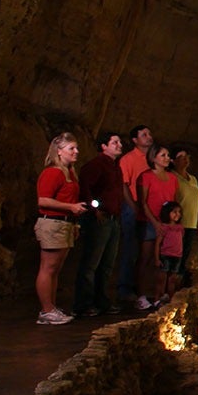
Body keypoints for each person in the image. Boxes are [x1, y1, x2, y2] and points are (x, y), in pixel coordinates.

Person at [34, 133, 86, 325]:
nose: (76, 152)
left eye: (76, 147)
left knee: (55, 269)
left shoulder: (70, 172)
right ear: (59, 151)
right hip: (52, 223)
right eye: (71, 148)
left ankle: (51, 307)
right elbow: (43, 200)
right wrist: (71, 208)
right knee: (48, 268)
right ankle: (46, 310)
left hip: (64, 223)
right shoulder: (53, 172)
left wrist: (74, 220)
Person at [73, 131, 124, 316]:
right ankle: (83, 304)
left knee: (107, 264)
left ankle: (101, 301)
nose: (119, 145)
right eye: (115, 142)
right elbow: (86, 188)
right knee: (91, 263)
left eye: (119, 142)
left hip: (113, 219)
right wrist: (95, 210)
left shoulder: (115, 167)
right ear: (104, 146)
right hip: (100, 220)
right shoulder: (96, 165)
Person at [134, 145, 179, 310]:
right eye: (163, 155)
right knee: (145, 258)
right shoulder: (145, 177)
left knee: (162, 261)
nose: (167, 158)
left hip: (166, 225)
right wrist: (155, 223)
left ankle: (158, 294)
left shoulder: (172, 179)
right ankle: (141, 295)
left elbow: (173, 203)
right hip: (148, 222)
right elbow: (143, 202)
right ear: (153, 158)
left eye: (168, 155)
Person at [117, 125, 154, 301]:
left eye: (149, 134)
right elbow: (124, 184)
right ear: (135, 140)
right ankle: (125, 289)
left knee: (146, 250)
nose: (149, 137)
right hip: (133, 207)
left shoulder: (152, 159)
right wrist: (132, 206)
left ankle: (142, 289)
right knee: (130, 248)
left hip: (149, 209)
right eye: (144, 135)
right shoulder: (128, 159)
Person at [172, 149, 198, 283]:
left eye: (187, 156)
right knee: (175, 256)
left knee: (186, 255)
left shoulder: (193, 179)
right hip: (179, 223)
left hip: (192, 223)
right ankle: (170, 287)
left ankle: (180, 285)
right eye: (181, 157)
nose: (186, 159)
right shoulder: (172, 177)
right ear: (173, 161)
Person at [155, 201, 186, 302]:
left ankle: (170, 299)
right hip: (166, 255)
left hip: (177, 256)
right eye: (174, 212)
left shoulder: (180, 228)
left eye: (179, 212)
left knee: (172, 278)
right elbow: (158, 243)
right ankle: (158, 298)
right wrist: (157, 258)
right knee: (162, 278)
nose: (177, 214)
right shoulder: (164, 227)